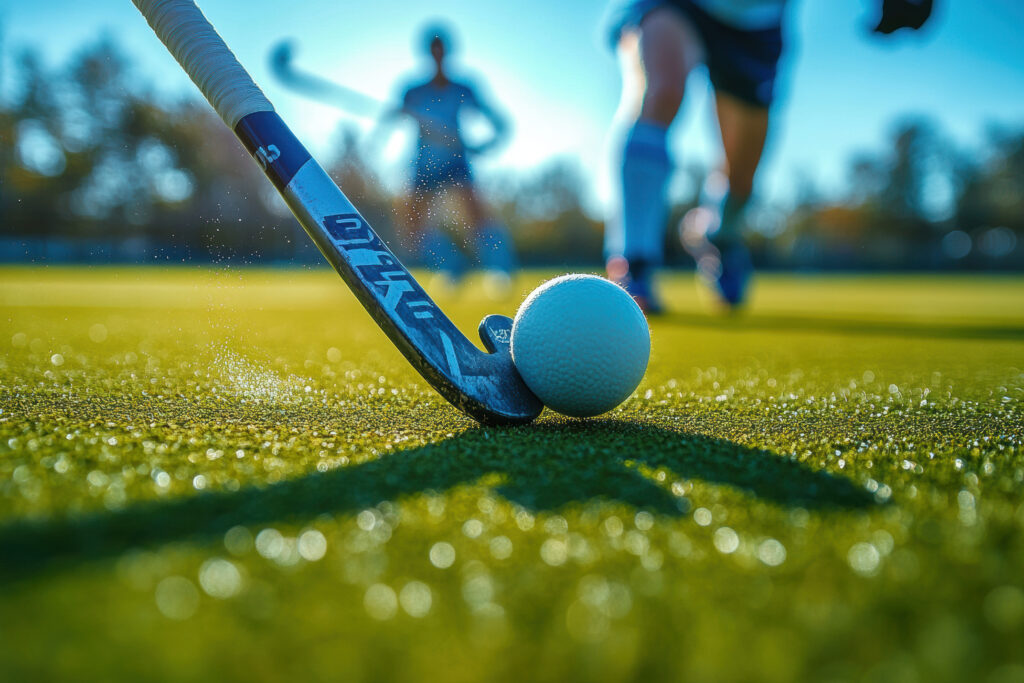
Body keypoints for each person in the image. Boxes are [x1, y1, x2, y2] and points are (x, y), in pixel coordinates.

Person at [603, 0, 934, 313]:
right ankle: (635, 262)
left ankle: (721, 235)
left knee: (741, 176)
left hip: (755, 25)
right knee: (662, 90)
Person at [384, 23, 516, 292]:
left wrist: (486, 144)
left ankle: (500, 271)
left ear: (447, 52)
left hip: (456, 162)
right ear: (428, 54)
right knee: (413, 229)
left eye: (441, 51)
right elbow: (393, 116)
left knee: (478, 217)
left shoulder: (463, 88)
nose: (438, 56)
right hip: (424, 165)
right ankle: (452, 268)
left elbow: (498, 122)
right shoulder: (413, 91)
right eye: (433, 51)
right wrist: (398, 114)